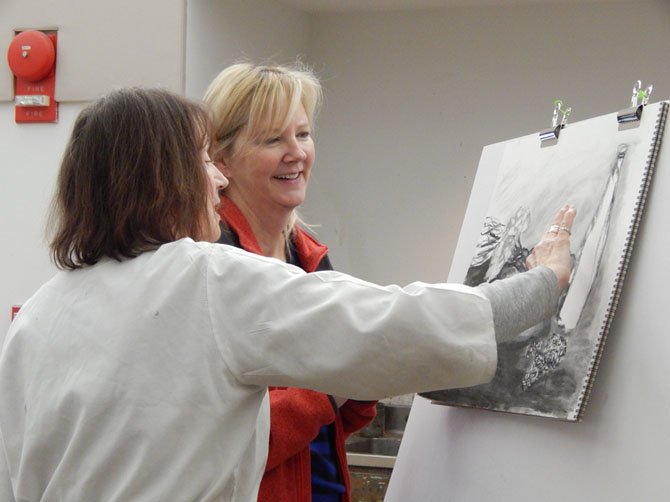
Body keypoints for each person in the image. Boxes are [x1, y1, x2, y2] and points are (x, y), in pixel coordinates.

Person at [0, 87, 575, 502]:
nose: (218, 179)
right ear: (161, 179)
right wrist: (543, 284)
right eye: (204, 161)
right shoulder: (207, 279)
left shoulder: (41, 314)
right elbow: (398, 324)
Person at [202, 62, 377, 502]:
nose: (296, 152)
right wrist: (329, 389)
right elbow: (221, 442)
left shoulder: (309, 255)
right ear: (222, 159)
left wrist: (364, 381)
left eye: (302, 134)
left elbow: (337, 417)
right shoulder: (213, 264)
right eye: (272, 139)